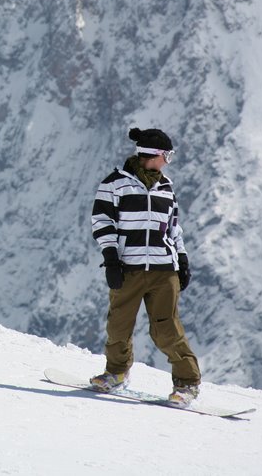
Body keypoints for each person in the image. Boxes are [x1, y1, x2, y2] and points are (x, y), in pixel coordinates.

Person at [89, 127, 202, 405]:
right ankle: (116, 373)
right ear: (152, 155)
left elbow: (174, 228)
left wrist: (182, 259)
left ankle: (187, 384)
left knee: (167, 330)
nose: (167, 161)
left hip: (164, 271)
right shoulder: (114, 184)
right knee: (119, 326)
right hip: (129, 269)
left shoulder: (166, 187)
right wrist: (112, 259)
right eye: (167, 155)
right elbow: (103, 222)